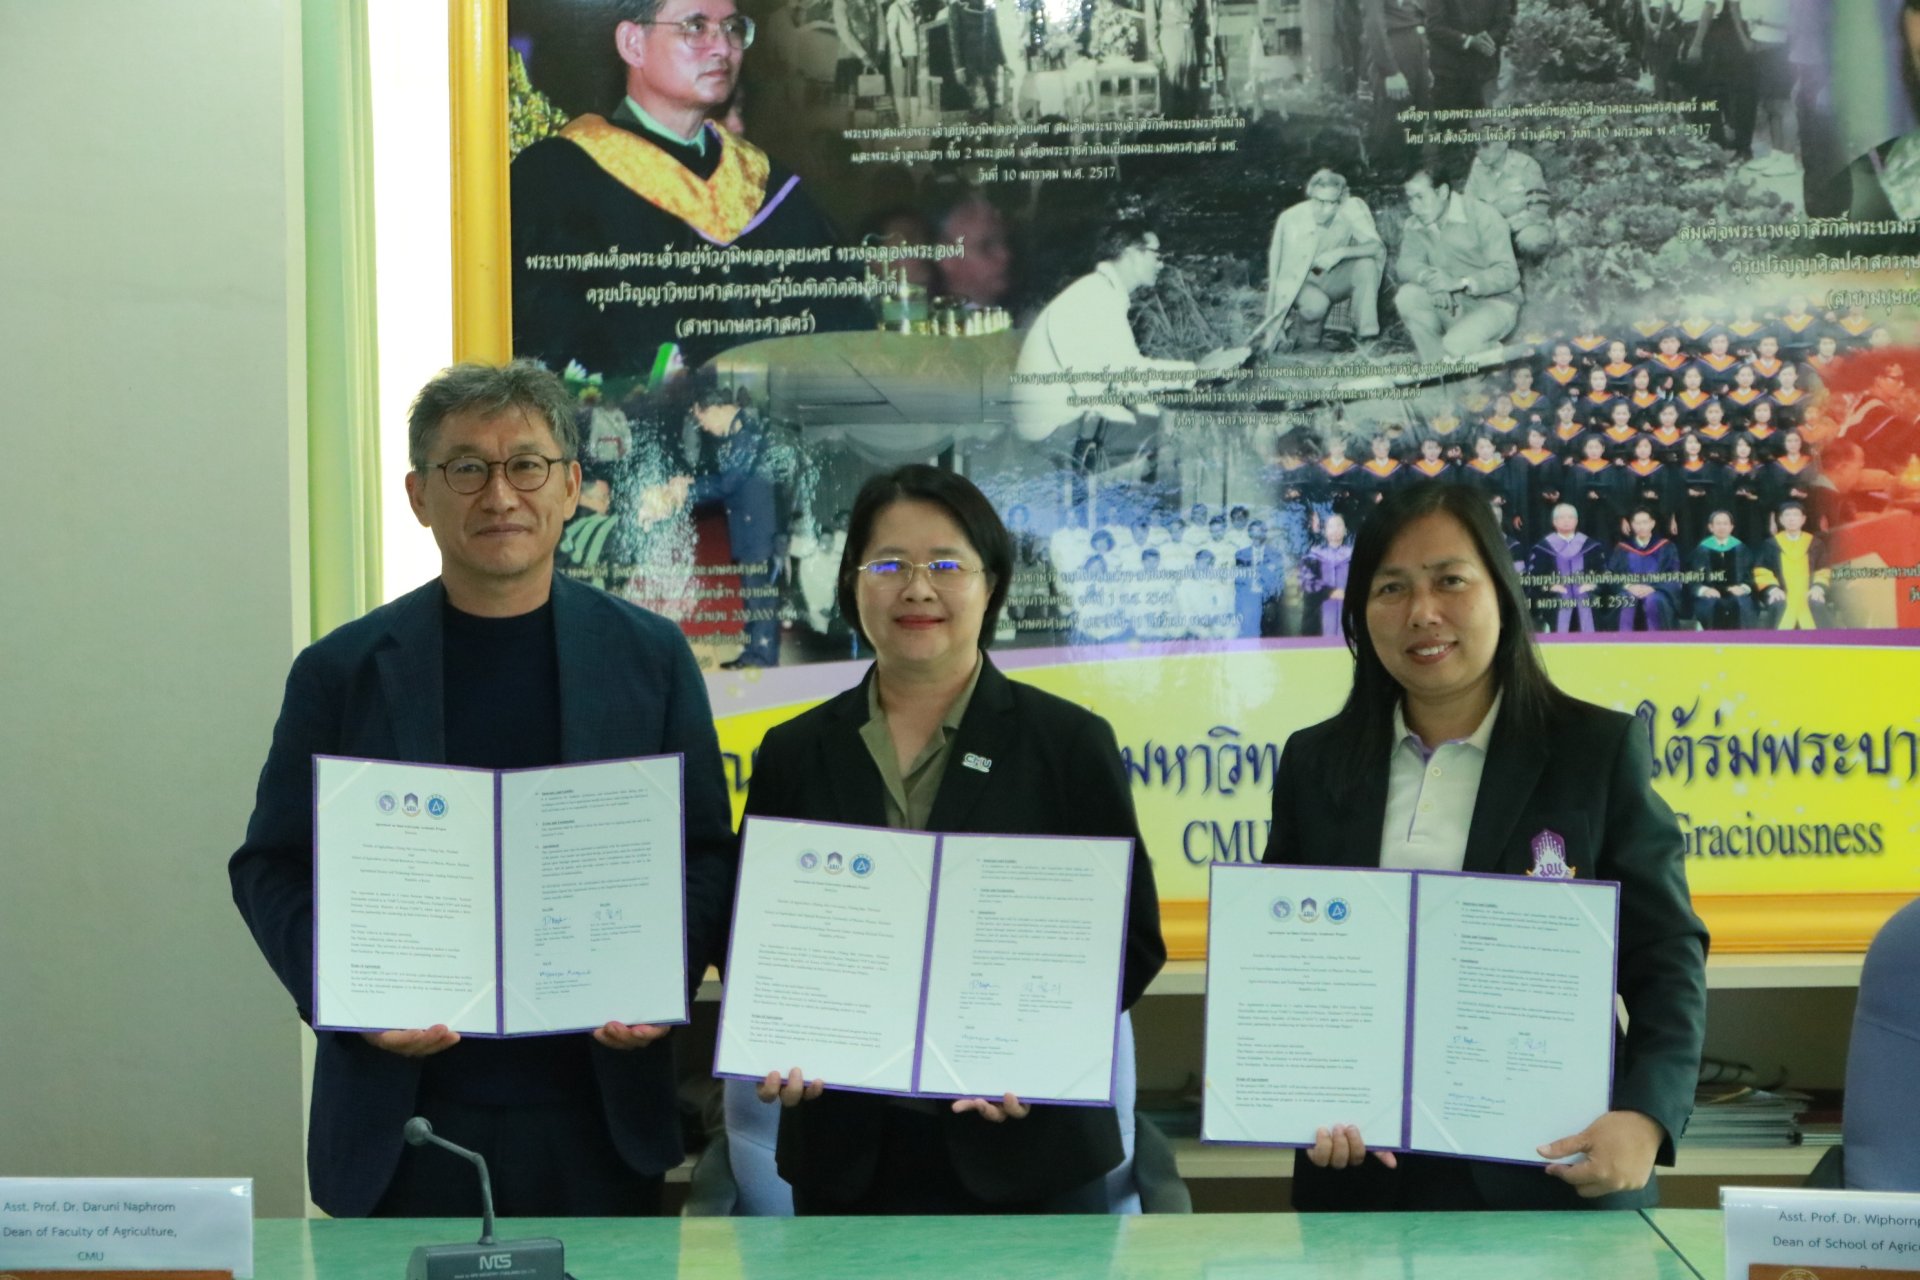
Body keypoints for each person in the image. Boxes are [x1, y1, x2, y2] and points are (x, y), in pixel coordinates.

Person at [228, 361, 736, 1218]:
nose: (499, 493)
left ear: (571, 486)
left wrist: (660, 975)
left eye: (526, 465)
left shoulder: (650, 659)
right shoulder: (340, 673)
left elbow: (705, 855)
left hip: (596, 1112)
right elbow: (270, 867)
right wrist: (347, 996)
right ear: (420, 494)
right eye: (466, 468)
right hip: (407, 1118)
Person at [1262, 482, 1707, 1210]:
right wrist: (1295, 1094)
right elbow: (1286, 962)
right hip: (1364, 1174)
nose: (1422, 614)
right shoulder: (1315, 764)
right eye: (1391, 588)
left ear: (1501, 593)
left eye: (1450, 581)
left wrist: (1648, 1118)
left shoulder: (1593, 751)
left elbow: (1666, 955)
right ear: (1358, 612)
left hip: (1555, 1171)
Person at [745, 465, 1166, 1214]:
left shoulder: (1068, 745)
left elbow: (1130, 941)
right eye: (889, 566)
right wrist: (781, 1032)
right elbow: (760, 938)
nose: (917, 589)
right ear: (851, 584)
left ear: (991, 584)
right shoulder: (793, 752)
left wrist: (1039, 1051)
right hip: (848, 1157)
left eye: (946, 565)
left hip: (1029, 1150)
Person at [509, 0, 861, 375]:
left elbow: (840, 328)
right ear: (633, 44)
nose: (723, 47)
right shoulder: (557, 179)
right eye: (695, 27)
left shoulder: (764, 181)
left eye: (732, 28)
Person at [1013, 220, 1227, 445]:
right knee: (1182, 437)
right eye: (1157, 255)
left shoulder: (1099, 290)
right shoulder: (1100, 297)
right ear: (1132, 253)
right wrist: (1197, 372)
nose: (1161, 264)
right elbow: (1128, 375)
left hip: (1048, 421)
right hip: (1055, 428)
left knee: (1162, 425)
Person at [1393, 164, 1522, 364]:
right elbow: (1406, 264)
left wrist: (1459, 282)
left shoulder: (1482, 215)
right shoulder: (1416, 223)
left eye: (1420, 197)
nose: (1414, 207)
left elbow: (1508, 274)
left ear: (1443, 192)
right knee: (1407, 297)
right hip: (1452, 304)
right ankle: (1437, 371)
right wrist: (1430, 280)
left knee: (1457, 346)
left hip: (1495, 304)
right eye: (1410, 199)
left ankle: (1504, 361)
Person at [1261, 170, 1386, 351]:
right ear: (1311, 195)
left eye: (1331, 202)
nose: (1323, 209)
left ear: (1340, 201)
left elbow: (1376, 247)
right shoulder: (1292, 219)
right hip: (1300, 282)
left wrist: (1341, 252)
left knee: (1367, 266)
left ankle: (1366, 338)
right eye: (1318, 201)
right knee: (1316, 305)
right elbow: (1279, 274)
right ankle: (1308, 346)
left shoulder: (1349, 211)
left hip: (1330, 276)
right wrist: (1274, 325)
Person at [1465, 138, 1555, 259]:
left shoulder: (1526, 165)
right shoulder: (1478, 167)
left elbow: (1538, 210)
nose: (1479, 151)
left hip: (1524, 227)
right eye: (1476, 147)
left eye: (1486, 145)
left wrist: (1507, 226)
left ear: (1503, 143)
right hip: (1493, 232)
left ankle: (1537, 267)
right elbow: (1469, 206)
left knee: (1533, 240)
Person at [1528, 500, 1607, 632]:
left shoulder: (1591, 546)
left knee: (1591, 602)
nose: (1566, 521)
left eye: (1570, 517)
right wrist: (1549, 586)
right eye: (1561, 517)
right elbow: (1535, 576)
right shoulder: (1542, 548)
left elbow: (1602, 572)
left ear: (1576, 521)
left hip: (1586, 594)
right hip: (1554, 596)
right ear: (1554, 522)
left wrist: (1593, 584)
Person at [1425, 0, 1514, 111]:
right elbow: (1434, 26)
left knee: (1483, 121)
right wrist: (1468, 40)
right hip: (1450, 73)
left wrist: (1488, 40)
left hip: (1484, 71)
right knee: (1450, 123)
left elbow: (1504, 21)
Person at [1755, 500, 1830, 629]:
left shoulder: (1815, 544)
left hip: (1810, 591)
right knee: (1778, 604)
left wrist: (1818, 587)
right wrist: (1773, 589)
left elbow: (1823, 570)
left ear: (1803, 519)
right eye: (1787, 515)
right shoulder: (1771, 544)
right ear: (1781, 520)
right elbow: (1762, 571)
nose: (1791, 519)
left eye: (1795, 515)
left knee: (1816, 604)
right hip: (1781, 591)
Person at [1608, 509, 1684, 631]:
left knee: (1655, 600)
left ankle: (1657, 643)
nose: (1641, 526)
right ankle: (1623, 643)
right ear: (1631, 525)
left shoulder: (1666, 546)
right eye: (1637, 523)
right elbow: (1611, 575)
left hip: (1657, 590)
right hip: (1628, 591)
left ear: (1652, 523)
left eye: (1645, 522)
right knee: (1626, 600)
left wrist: (1653, 588)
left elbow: (1673, 575)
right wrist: (1628, 586)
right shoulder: (1622, 548)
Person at [1689, 509, 1759, 630]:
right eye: (1718, 523)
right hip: (1710, 595)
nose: (1722, 527)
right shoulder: (1701, 550)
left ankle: (1742, 644)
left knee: (1743, 604)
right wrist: (1704, 590)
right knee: (1709, 605)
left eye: (1725, 524)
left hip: (1737, 593)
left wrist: (1743, 588)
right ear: (1711, 527)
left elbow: (1751, 575)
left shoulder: (1741, 549)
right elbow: (1692, 577)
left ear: (1731, 527)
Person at [1301, 512, 1355, 637]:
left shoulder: (1354, 556)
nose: (1335, 529)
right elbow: (1307, 582)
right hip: (1322, 610)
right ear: (1325, 531)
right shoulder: (1314, 556)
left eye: (1339, 525)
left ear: (1345, 530)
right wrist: (1330, 592)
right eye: (1331, 526)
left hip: (1347, 609)